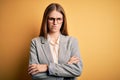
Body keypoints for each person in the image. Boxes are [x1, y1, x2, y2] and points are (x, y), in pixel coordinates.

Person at [28, 3, 83, 80]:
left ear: (63, 20)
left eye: (59, 19)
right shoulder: (35, 43)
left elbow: (77, 70)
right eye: (51, 19)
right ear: (46, 20)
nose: (55, 23)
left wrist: (47, 67)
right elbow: (34, 74)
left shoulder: (72, 41)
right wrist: (66, 68)